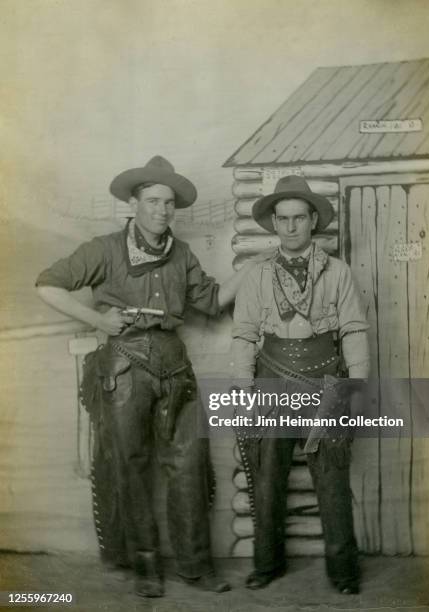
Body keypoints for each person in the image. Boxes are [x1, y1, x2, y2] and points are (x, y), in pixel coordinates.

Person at [36, 156, 250, 598]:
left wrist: (253, 268)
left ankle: (195, 568)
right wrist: (96, 320)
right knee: (130, 468)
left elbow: (211, 302)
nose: (162, 211)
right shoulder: (104, 249)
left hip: (175, 367)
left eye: (169, 203)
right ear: (134, 203)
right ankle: (146, 567)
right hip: (123, 367)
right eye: (153, 201)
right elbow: (47, 284)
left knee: (189, 467)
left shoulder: (183, 254)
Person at [231, 175, 370, 594]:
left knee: (331, 480)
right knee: (268, 476)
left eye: (299, 218)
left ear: (313, 220)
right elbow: (243, 335)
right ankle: (267, 564)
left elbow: (354, 331)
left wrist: (357, 388)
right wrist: (241, 392)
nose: (290, 227)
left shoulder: (338, 271)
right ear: (274, 223)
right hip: (271, 381)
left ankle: (344, 573)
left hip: (326, 380)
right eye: (282, 219)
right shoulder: (256, 274)